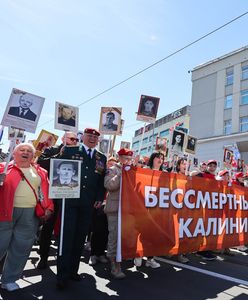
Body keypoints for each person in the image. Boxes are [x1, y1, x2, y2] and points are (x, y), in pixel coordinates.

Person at [56, 128, 106, 290]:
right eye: (89, 136)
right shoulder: (69, 150)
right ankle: (62, 275)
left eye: (95, 137)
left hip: (88, 203)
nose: (92, 138)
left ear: (98, 140)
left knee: (79, 238)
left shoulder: (101, 157)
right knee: (67, 237)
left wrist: (99, 197)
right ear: (82, 137)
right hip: (69, 200)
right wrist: (60, 153)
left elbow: (100, 181)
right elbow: (56, 167)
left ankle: (73, 271)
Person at [0, 143, 53, 292]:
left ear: (33, 155)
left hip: (30, 214)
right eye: (22, 150)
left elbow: (45, 190)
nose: (25, 152)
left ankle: (9, 280)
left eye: (29, 151)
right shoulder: (3, 167)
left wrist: (49, 207)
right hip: (5, 212)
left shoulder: (40, 171)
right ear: (14, 153)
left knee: (21, 247)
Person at [36, 132, 78, 270]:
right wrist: (59, 155)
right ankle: (43, 256)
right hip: (53, 194)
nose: (74, 141)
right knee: (48, 226)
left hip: (70, 194)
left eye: (76, 139)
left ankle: (65, 260)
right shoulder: (51, 150)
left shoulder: (77, 153)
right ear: (63, 139)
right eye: (72, 138)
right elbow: (41, 163)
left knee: (67, 228)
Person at [104, 148, 133, 279]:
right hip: (115, 208)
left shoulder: (132, 171)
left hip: (127, 210)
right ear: (119, 158)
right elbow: (109, 185)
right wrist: (121, 174)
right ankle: (114, 265)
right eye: (125, 158)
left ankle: (120, 260)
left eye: (129, 158)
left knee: (123, 238)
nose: (128, 161)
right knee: (114, 237)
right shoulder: (113, 169)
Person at [134, 152, 162, 269]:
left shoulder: (164, 174)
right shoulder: (144, 171)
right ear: (152, 159)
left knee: (153, 235)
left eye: (162, 158)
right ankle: (139, 254)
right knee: (142, 233)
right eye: (157, 157)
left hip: (157, 210)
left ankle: (150, 259)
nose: (160, 160)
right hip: (144, 208)